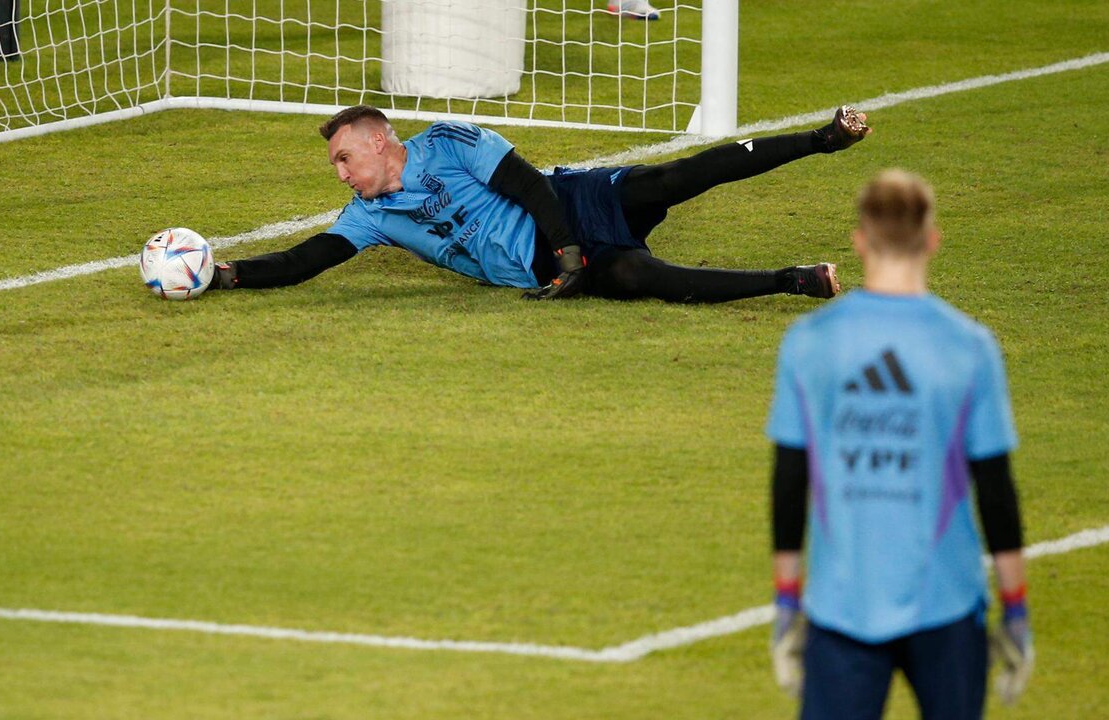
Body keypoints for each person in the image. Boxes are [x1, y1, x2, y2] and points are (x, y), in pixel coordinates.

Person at [765, 170, 1034, 719]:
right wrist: (1016, 609)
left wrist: (788, 600)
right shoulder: (969, 346)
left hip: (842, 605)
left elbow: (789, 479)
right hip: (948, 604)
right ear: (931, 239)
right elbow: (996, 489)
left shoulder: (810, 342)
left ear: (861, 239)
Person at [205, 103, 872, 303]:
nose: (341, 174)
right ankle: (794, 281)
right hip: (538, 267)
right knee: (647, 280)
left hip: (567, 207)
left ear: (380, 142)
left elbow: (526, 184)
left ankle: (820, 139)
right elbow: (303, 259)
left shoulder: (448, 141)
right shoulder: (370, 218)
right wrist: (228, 273)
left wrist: (571, 248)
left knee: (673, 180)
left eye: (345, 158)